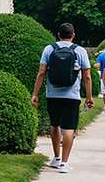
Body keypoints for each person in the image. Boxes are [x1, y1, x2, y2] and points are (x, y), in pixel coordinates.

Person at [31, 23, 93, 172]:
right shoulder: (80, 51)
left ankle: (56, 158)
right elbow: (87, 76)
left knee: (55, 125)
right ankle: (65, 163)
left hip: (52, 94)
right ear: (73, 35)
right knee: (69, 128)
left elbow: (41, 72)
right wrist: (89, 96)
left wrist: (35, 93)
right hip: (72, 95)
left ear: (58, 34)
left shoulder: (49, 49)